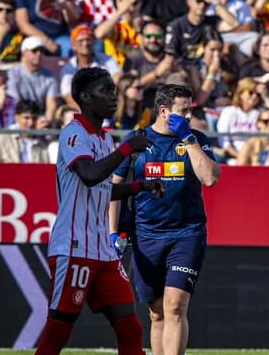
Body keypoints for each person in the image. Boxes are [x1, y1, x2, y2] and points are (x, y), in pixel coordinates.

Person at [34, 67, 161, 355]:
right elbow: (89, 174)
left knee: (131, 328)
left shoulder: (105, 139)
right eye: (106, 90)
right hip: (73, 246)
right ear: (85, 97)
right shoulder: (73, 133)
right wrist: (128, 148)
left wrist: (139, 186)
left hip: (103, 249)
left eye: (114, 90)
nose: (114, 96)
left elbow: (101, 189)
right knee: (58, 332)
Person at [110, 83, 220, 355]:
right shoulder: (136, 141)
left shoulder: (196, 138)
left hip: (187, 233)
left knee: (175, 306)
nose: (188, 117)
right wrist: (113, 232)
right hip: (146, 236)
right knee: (156, 312)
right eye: (183, 112)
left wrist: (189, 140)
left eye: (190, 111)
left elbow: (210, 178)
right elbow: (114, 188)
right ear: (163, 111)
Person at [0, 99, 50, 163]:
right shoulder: (2, 140)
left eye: (34, 118)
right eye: (26, 118)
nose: (31, 122)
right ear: (16, 118)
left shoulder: (42, 144)